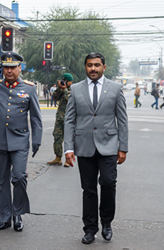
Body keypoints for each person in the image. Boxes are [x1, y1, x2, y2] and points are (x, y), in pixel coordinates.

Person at [0, 52, 42, 232]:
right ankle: (4, 217)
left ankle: (17, 213)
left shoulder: (29, 88)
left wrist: (37, 140)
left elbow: (35, 117)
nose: (9, 70)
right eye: (6, 67)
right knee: (2, 181)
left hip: (19, 140)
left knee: (19, 177)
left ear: (20, 68)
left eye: (13, 67)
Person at [64, 52, 128, 244]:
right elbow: (69, 120)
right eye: (90, 65)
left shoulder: (116, 89)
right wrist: (68, 148)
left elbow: (122, 120)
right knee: (88, 189)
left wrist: (123, 147)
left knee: (108, 183)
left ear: (104, 67)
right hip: (84, 147)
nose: (93, 68)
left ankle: (107, 223)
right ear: (86, 67)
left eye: (97, 65)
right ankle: (90, 229)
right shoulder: (75, 89)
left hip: (108, 146)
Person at [47, 73, 74, 167]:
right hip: (60, 117)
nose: (68, 83)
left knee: (68, 139)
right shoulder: (61, 89)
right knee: (57, 136)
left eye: (68, 81)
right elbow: (55, 98)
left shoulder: (74, 90)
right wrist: (59, 89)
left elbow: (69, 100)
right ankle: (58, 158)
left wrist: (65, 89)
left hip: (69, 119)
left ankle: (68, 160)